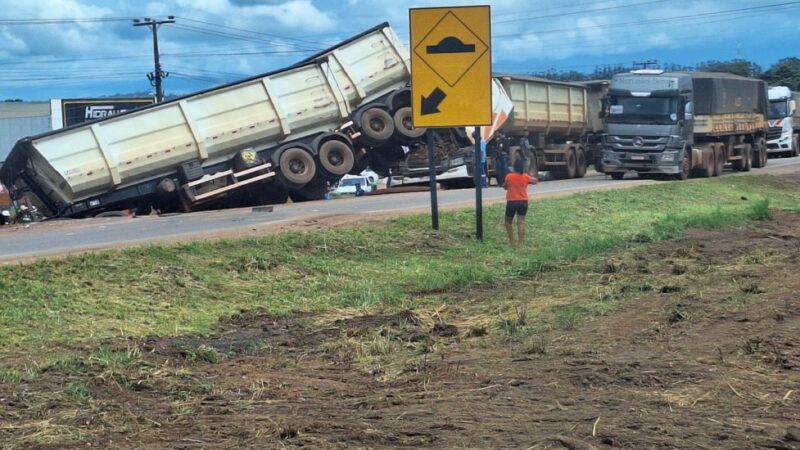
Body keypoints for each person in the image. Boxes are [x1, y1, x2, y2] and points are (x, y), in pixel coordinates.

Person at [504, 158, 538, 246]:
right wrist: (530, 176)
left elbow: (505, 186)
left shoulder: (509, 176)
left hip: (511, 201)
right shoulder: (525, 177)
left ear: (514, 167)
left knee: (508, 221)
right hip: (523, 202)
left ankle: (512, 241)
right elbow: (535, 181)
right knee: (521, 222)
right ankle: (521, 243)